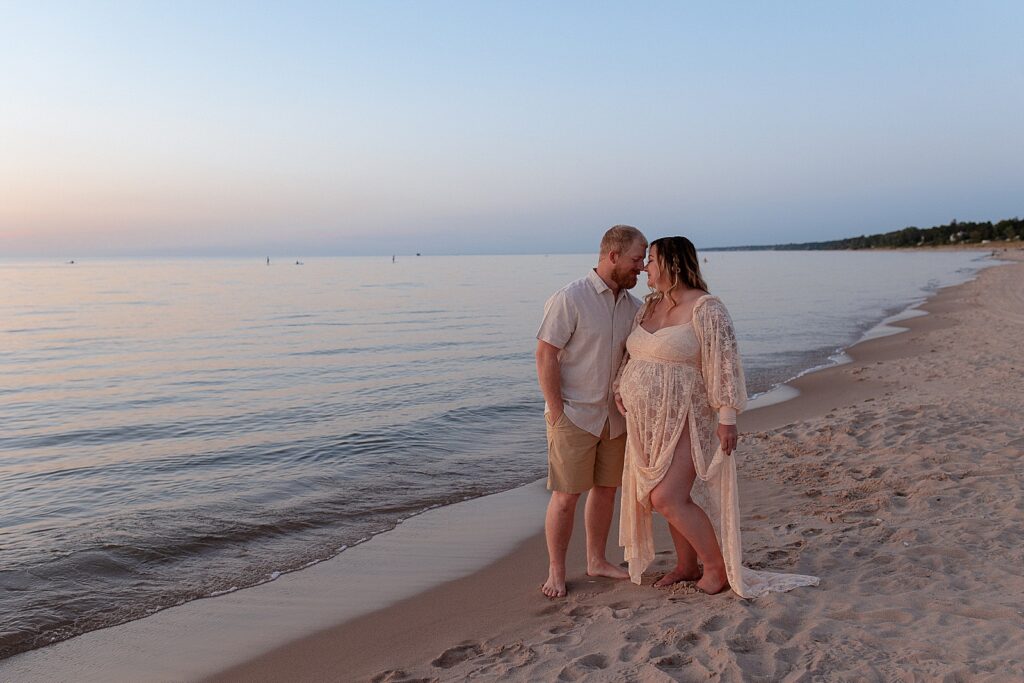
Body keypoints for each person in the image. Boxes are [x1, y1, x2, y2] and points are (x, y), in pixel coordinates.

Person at [614, 236, 818, 597]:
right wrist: (619, 387)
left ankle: (716, 568)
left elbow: (724, 364)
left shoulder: (706, 308)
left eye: (652, 260)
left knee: (667, 497)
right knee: (667, 495)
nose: (645, 266)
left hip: (687, 417)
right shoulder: (648, 307)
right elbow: (633, 355)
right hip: (646, 422)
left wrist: (727, 418)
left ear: (673, 264)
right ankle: (686, 565)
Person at [536, 225, 648, 598]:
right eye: (636, 259)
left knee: (607, 490)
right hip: (574, 414)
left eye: (644, 259)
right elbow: (546, 353)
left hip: (615, 418)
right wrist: (556, 410)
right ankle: (556, 570)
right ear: (612, 256)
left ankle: (597, 560)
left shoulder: (635, 307)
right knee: (566, 496)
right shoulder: (571, 298)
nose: (642, 267)